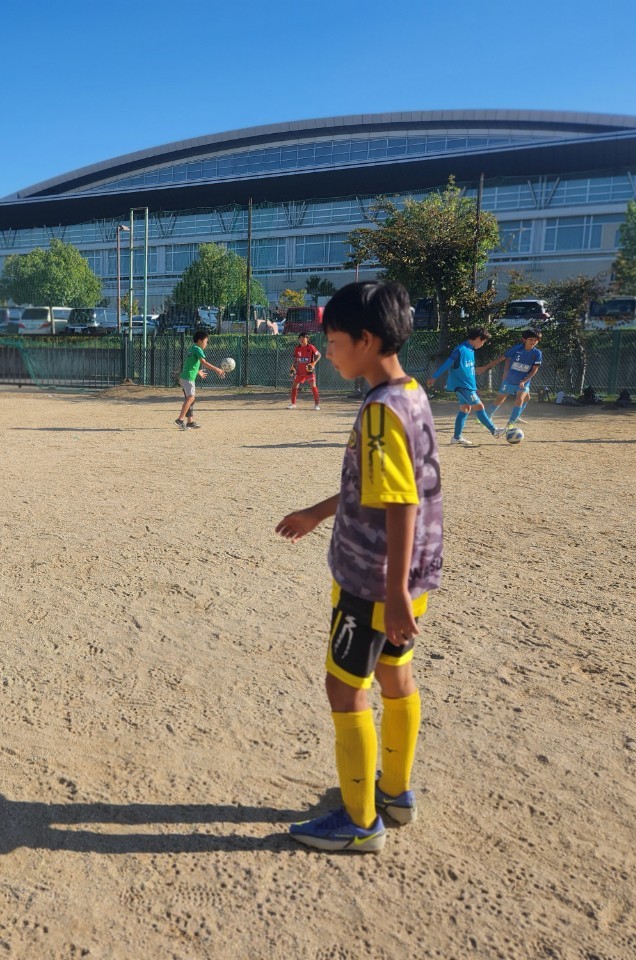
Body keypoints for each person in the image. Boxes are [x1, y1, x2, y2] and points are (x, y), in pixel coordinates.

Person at [276, 280, 442, 853]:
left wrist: (389, 591)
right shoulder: (412, 394)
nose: (327, 352)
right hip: (409, 576)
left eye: (334, 340)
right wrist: (319, 513)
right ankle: (394, 793)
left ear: (366, 340)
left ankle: (358, 821)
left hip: (374, 582)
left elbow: (400, 503)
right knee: (396, 676)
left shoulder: (377, 413)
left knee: (344, 688)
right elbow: (383, 490)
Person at [426, 328, 503, 446]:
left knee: (465, 409)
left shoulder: (470, 350)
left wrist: (475, 387)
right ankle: (494, 431)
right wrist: (434, 377)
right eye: (483, 342)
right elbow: (447, 363)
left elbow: (469, 372)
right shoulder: (460, 350)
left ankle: (456, 437)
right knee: (479, 406)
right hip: (461, 385)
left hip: (468, 386)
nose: (482, 344)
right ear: (478, 338)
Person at [478, 329, 542, 429]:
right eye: (531, 339)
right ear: (524, 339)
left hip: (524, 381)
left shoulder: (537, 353)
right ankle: (486, 416)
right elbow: (503, 358)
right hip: (510, 380)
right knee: (500, 399)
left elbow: (534, 370)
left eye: (535, 340)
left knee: (521, 399)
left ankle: (511, 422)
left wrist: (524, 381)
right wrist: (486, 367)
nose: (533, 342)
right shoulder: (517, 349)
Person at [176, 329, 227, 430]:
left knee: (190, 399)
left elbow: (191, 363)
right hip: (188, 377)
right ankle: (180, 420)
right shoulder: (198, 350)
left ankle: (190, 422)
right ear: (199, 341)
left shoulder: (192, 348)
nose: (206, 344)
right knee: (191, 398)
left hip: (184, 376)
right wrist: (217, 369)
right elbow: (203, 362)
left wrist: (198, 371)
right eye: (205, 341)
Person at [288, 332, 322, 410]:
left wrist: (313, 363)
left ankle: (317, 405)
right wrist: (293, 368)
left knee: (313, 386)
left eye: (303, 338)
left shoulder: (311, 347)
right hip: (299, 372)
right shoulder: (297, 348)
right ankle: (293, 404)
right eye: (300, 338)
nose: (301, 340)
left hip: (308, 371)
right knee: (294, 385)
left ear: (307, 339)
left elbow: (319, 355)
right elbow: (296, 360)